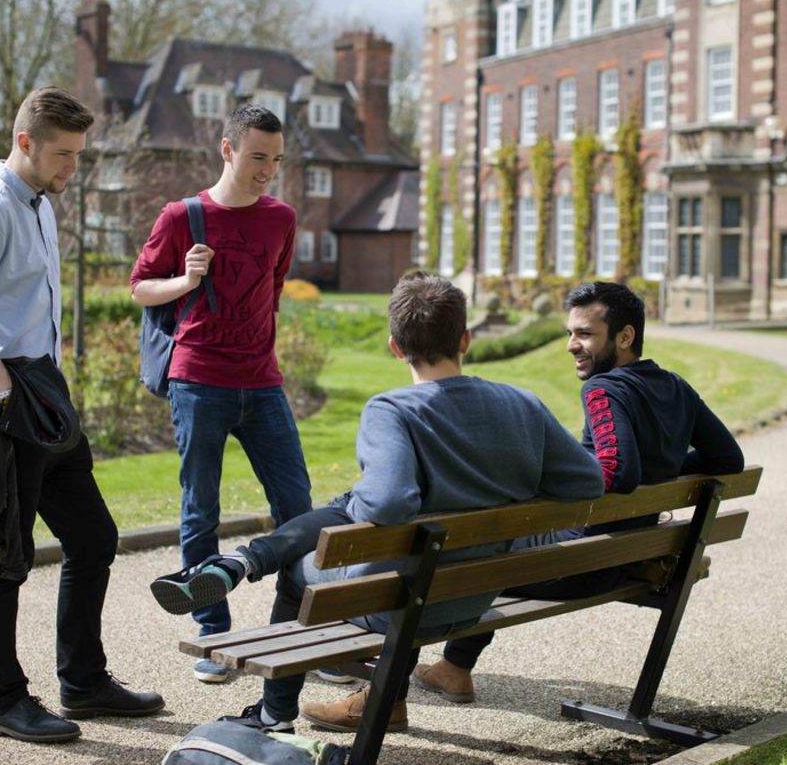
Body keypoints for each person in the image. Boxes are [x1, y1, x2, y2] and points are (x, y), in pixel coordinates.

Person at [149, 273, 610, 733]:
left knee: (300, 567)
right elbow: (588, 481)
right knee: (365, 515)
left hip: (398, 604)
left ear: (395, 346)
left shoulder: (393, 410)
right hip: (475, 597)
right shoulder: (522, 404)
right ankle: (246, 560)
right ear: (465, 339)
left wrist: (356, 501)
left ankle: (274, 711)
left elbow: (387, 503)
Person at [0, 87, 163, 744]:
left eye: (78, 155)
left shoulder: (39, 205)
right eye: (63, 154)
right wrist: (7, 393)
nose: (73, 168)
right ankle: (2, 698)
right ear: (25, 142)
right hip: (4, 405)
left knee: (93, 535)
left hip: (45, 398)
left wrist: (39, 394)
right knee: (4, 554)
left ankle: (83, 680)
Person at [410, 280, 745, 705]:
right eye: (571, 333)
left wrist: (551, 479)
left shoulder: (603, 389)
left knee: (458, 558)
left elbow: (616, 471)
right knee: (491, 550)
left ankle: (393, 692)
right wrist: (662, 469)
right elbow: (727, 458)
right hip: (627, 555)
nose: (572, 344)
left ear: (625, 337)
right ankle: (454, 668)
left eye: (585, 334)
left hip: (582, 564)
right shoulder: (674, 385)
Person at [130, 104, 313, 684]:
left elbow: (274, 288)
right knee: (199, 507)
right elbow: (139, 289)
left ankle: (297, 625)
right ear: (228, 149)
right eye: (258, 157)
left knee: (298, 505)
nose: (267, 170)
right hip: (199, 379)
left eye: (276, 160)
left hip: (262, 382)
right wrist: (185, 281)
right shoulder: (181, 215)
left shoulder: (281, 217)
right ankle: (213, 632)